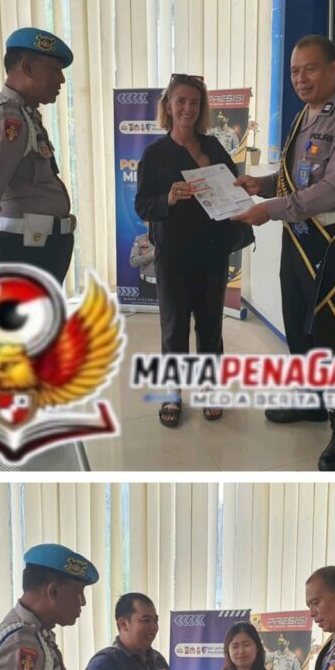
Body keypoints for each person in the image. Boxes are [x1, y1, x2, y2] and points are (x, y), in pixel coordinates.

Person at [233, 36, 335, 471]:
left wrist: (270, 209)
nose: (300, 78)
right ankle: (312, 401)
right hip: (297, 240)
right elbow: (297, 177)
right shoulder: (304, 115)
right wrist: (263, 184)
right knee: (298, 327)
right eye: (295, 71)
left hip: (331, 246)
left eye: (310, 68)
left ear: (333, 69)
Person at [134, 74, 238, 428]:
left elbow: (234, 188)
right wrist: (168, 199)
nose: (187, 109)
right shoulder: (155, 154)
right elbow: (142, 205)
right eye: (181, 101)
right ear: (168, 105)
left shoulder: (214, 147)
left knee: (210, 324)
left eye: (194, 102)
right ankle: (173, 392)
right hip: (174, 253)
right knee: (174, 325)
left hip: (213, 250)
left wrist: (228, 185)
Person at [0, 27, 76, 284]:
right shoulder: (8, 120)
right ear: (27, 67)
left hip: (36, 250)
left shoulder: (25, 114)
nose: (61, 80)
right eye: (54, 70)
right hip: (22, 253)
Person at [129, 226, 157, 301]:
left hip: (165, 285)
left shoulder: (169, 239)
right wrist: (151, 255)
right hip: (147, 285)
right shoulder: (140, 239)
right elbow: (133, 261)